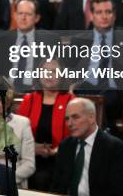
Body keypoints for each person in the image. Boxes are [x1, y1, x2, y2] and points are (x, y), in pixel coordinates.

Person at [50, 97, 123, 196]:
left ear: (91, 117)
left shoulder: (116, 148)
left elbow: (117, 190)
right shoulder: (65, 145)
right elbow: (57, 185)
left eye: (75, 117)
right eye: (67, 119)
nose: (69, 123)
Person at [16, 58, 74, 190]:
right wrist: (32, 149)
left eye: (54, 71)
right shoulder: (29, 100)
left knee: (43, 178)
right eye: (45, 71)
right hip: (29, 156)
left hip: (60, 158)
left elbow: (75, 137)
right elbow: (17, 134)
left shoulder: (70, 100)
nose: (49, 75)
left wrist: (55, 151)